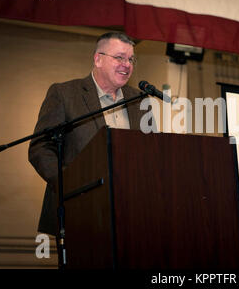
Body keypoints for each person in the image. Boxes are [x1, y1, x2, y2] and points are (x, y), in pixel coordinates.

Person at [29, 32, 153, 236]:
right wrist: (69, 184)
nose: (127, 64)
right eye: (119, 57)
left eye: (131, 59)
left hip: (131, 214)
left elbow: (150, 150)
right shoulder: (65, 94)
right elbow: (40, 149)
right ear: (98, 59)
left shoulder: (139, 99)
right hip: (78, 212)